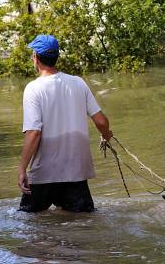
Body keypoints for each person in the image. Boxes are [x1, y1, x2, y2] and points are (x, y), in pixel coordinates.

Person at [18, 34, 113, 212]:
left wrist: (22, 168)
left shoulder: (33, 89)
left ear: (35, 58)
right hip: (75, 174)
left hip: (43, 175)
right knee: (83, 226)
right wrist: (106, 136)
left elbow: (34, 133)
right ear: (56, 57)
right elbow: (100, 121)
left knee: (29, 226)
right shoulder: (78, 83)